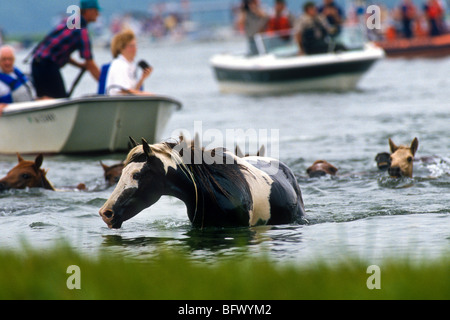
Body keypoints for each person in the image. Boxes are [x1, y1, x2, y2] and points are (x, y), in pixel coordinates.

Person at [31, 0, 101, 98]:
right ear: (88, 11)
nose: (98, 14)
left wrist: (79, 65)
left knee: (44, 99)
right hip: (46, 66)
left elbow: (60, 52)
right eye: (96, 11)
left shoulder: (70, 21)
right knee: (59, 100)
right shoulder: (82, 31)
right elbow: (90, 64)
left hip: (37, 64)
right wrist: (104, 84)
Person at [104, 29, 153, 96]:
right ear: (121, 48)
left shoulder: (129, 66)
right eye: (131, 46)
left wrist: (142, 78)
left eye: (135, 46)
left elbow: (131, 92)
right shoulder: (119, 64)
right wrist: (146, 94)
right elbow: (123, 90)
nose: (135, 49)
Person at [0, 45, 35, 116]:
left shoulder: (20, 75)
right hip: (11, 117)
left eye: (10, 59)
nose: (7, 62)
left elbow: (31, 93)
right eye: (4, 59)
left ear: (14, 60)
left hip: (29, 112)